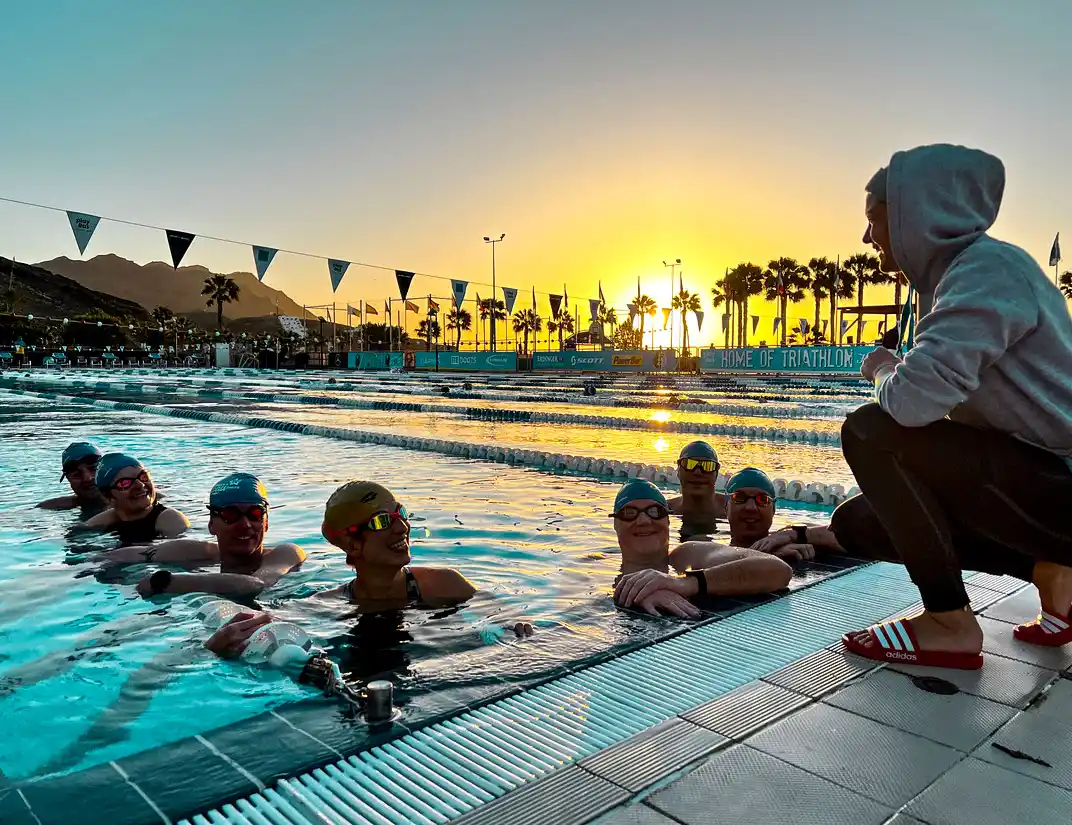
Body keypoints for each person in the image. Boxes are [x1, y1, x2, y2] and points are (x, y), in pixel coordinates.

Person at [835, 144, 1072, 671]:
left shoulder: (985, 271)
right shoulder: (959, 278)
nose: (867, 238)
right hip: (1047, 481)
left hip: (1062, 484)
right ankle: (1051, 569)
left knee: (869, 431)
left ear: (917, 215)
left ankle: (948, 623)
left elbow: (909, 406)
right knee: (858, 525)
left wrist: (880, 368)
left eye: (875, 220)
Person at [204, 481, 533, 657]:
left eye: (401, 514)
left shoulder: (446, 584)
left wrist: (516, 629)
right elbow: (267, 632)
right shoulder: (324, 604)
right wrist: (220, 648)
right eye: (382, 521)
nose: (402, 527)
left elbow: (500, 617)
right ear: (353, 545)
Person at [92, 472, 305, 598]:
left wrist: (168, 583)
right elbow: (127, 555)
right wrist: (88, 564)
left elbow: (256, 584)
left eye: (256, 514)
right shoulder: (202, 552)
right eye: (231, 515)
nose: (246, 524)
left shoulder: (286, 553)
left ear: (266, 523)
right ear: (212, 525)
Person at [611, 479, 793, 618]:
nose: (644, 521)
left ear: (667, 521)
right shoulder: (593, 574)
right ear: (616, 524)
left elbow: (779, 570)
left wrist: (685, 584)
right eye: (630, 514)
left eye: (655, 512)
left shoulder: (685, 556)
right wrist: (633, 594)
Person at [78, 454, 190, 544]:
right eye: (125, 483)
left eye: (143, 477)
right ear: (108, 497)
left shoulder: (169, 519)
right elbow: (76, 536)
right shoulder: (112, 517)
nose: (140, 485)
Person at [666, 441, 727, 540]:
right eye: (689, 464)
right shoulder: (666, 509)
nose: (698, 472)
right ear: (678, 471)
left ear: (716, 473)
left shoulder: (733, 508)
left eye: (708, 466)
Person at [37, 442, 108, 514]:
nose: (88, 478)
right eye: (76, 474)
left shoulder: (119, 507)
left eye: (94, 469)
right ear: (68, 479)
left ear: (107, 470)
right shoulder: (48, 508)